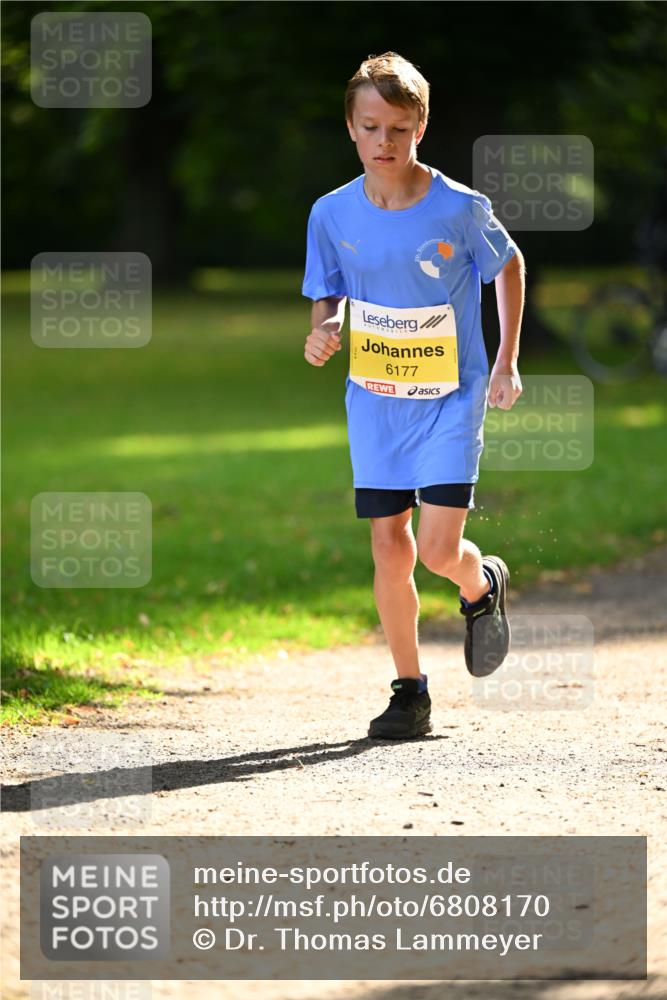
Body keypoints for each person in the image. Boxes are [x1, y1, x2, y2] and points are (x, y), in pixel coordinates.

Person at [301, 51, 525, 739]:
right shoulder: (331, 213)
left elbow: (508, 265)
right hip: (375, 401)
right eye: (370, 128)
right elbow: (328, 294)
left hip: (448, 398)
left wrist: (505, 363)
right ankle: (409, 692)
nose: (383, 143)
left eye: (397, 129)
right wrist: (325, 329)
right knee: (388, 547)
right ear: (350, 127)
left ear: (420, 126)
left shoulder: (460, 207)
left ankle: (479, 584)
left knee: (434, 550)